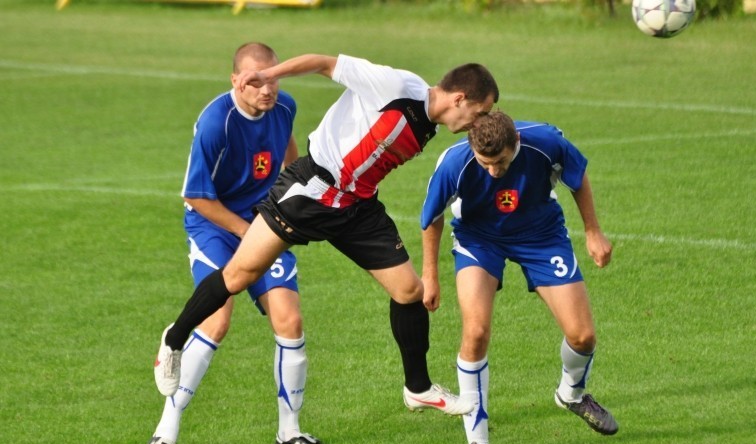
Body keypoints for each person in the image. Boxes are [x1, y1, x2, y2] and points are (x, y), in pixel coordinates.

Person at [153, 54, 500, 422]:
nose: (479, 123)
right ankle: (174, 338)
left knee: (409, 291)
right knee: (239, 276)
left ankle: (418, 388)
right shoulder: (396, 87)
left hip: (358, 207)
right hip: (312, 191)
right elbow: (323, 62)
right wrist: (267, 74)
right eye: (481, 112)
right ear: (460, 98)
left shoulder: (431, 121)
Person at [148, 43, 320, 444]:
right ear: (235, 82)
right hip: (214, 224)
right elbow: (195, 196)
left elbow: (288, 150)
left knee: (290, 319)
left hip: (260, 220)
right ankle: (165, 432)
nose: (267, 89)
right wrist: (250, 234)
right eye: (255, 81)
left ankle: (289, 431)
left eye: (273, 78)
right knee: (217, 319)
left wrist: (294, 198)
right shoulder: (215, 123)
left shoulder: (284, 108)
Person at [420, 111, 619, 444]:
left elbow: (577, 176)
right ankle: (477, 442)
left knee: (583, 336)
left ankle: (571, 394)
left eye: (501, 162)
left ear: (517, 144)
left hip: (542, 237)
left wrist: (592, 230)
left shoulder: (546, 142)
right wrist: (430, 276)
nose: (494, 171)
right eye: (486, 163)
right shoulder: (455, 163)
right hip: (478, 241)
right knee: (476, 331)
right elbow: (432, 216)